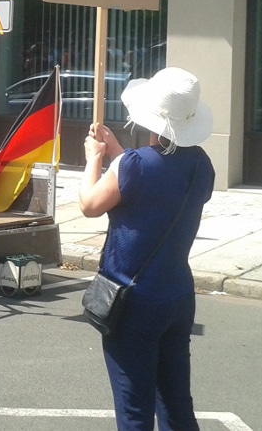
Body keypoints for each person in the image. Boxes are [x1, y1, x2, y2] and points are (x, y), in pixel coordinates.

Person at [79, 67, 216, 431]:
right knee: (175, 401)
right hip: (177, 293)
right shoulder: (202, 165)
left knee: (134, 407)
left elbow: (90, 204)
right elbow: (153, 185)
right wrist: (118, 154)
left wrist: (95, 156)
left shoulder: (134, 165)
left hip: (133, 299)